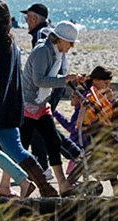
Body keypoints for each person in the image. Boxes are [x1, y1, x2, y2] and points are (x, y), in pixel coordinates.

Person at [0, 1, 57, 197]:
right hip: (8, 106)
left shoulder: (2, 44)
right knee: (16, 150)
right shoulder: (9, 43)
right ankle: (46, 188)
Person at [22, 20, 84, 190]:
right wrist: (64, 80)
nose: (71, 47)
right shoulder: (43, 51)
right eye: (70, 43)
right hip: (29, 104)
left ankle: (62, 183)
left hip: (41, 104)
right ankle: (8, 185)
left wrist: (68, 80)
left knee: (52, 142)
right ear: (61, 39)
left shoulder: (56, 51)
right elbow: (39, 80)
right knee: (21, 146)